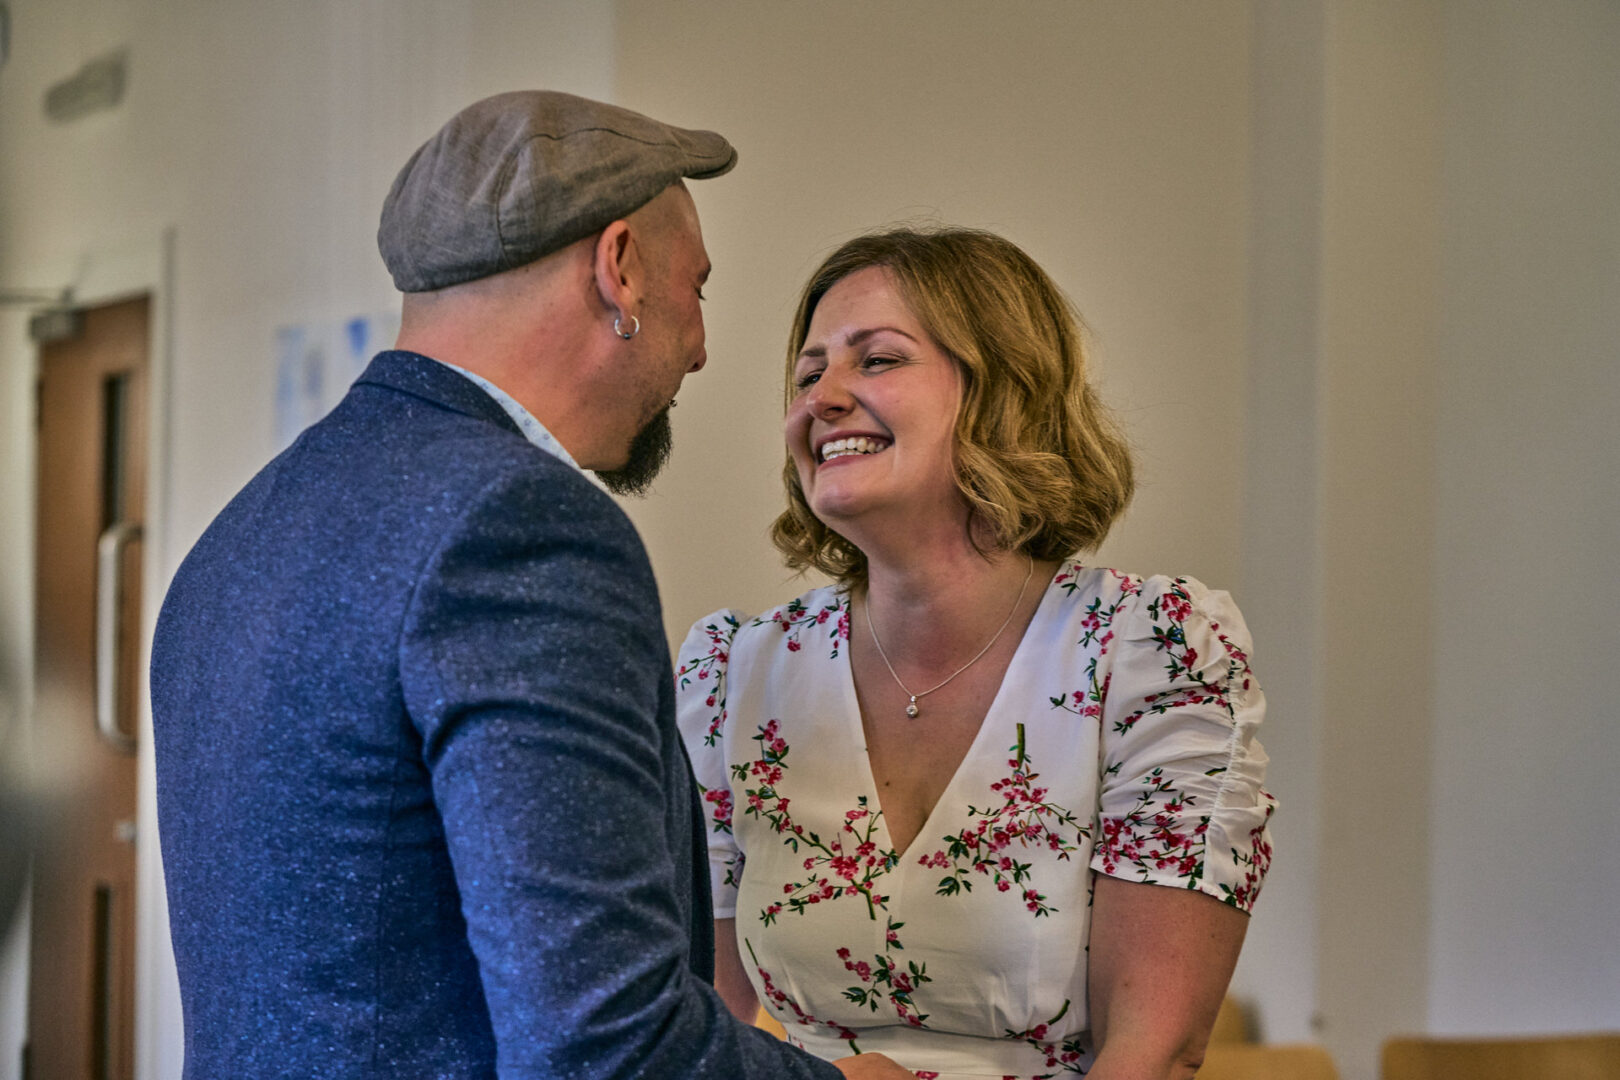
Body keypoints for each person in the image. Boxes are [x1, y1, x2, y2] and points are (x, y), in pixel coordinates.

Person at [151, 90, 909, 1079]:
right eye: (699, 291)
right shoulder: (520, 527)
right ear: (621, 267)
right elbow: (605, 1046)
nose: (701, 347)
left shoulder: (241, 533)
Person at [675, 227, 1277, 1080]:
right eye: (808, 374)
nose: (823, 398)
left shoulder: (1152, 650)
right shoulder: (733, 672)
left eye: (876, 361)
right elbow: (704, 1021)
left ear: (1003, 390)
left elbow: (1154, 1050)